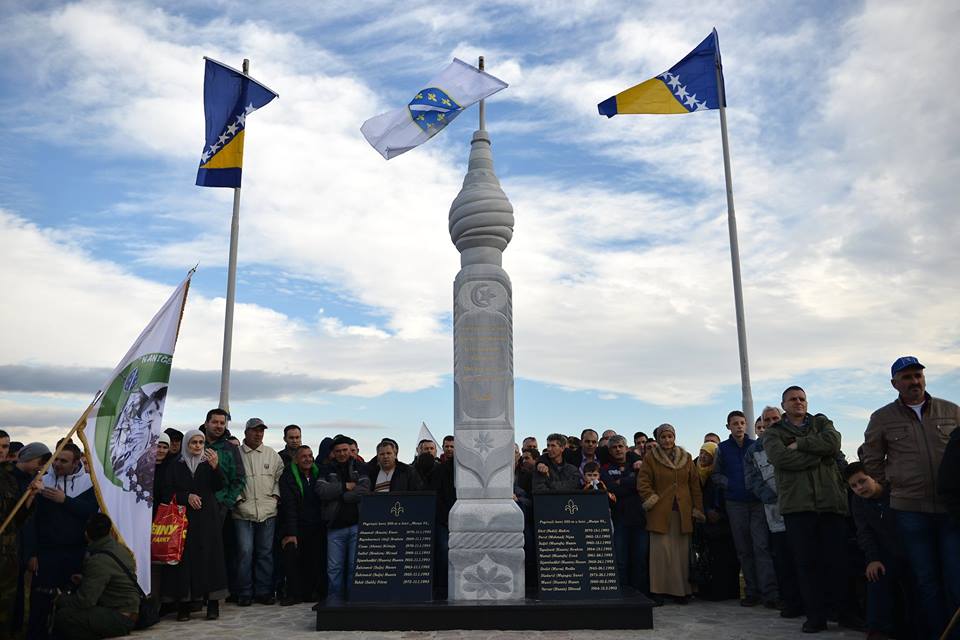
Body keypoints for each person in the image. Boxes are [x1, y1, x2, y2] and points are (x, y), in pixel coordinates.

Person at [862, 356, 960, 639]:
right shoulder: (881, 418)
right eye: (907, 377)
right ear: (895, 384)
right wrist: (888, 485)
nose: (914, 381)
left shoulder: (951, 411)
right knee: (926, 581)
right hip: (909, 511)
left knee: (955, 578)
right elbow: (871, 457)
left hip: (950, 510)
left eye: (918, 375)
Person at [764, 386, 852, 633]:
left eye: (802, 398)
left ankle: (845, 612)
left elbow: (834, 443)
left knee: (838, 562)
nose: (798, 402)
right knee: (807, 564)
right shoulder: (774, 432)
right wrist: (820, 455)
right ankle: (816, 616)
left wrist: (800, 444)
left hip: (830, 503)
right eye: (793, 399)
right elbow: (781, 459)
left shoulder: (822, 422)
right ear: (784, 405)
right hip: (798, 506)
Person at [25, 443, 99, 639]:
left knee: (71, 605)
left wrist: (65, 500)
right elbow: (31, 521)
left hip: (76, 553)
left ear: (75, 462)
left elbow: (92, 512)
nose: (57, 464)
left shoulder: (89, 483)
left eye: (63, 461)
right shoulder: (42, 481)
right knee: (40, 603)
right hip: (46, 553)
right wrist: (32, 553)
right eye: (55, 459)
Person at [158, 429, 227, 621]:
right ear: (186, 445)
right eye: (193, 442)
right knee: (185, 562)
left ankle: (213, 605)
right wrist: (185, 497)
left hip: (207, 519)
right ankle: (185, 605)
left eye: (200, 442)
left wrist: (216, 467)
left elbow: (219, 485)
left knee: (210, 559)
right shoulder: (175, 465)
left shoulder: (208, 463)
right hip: (183, 520)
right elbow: (167, 491)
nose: (197, 446)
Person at [714, 410, 779, 608]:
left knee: (761, 547)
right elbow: (715, 475)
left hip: (757, 502)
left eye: (742, 422)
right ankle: (751, 592)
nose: (739, 426)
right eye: (735, 423)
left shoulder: (755, 445)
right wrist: (731, 484)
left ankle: (770, 593)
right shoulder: (722, 449)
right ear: (728, 427)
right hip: (735, 503)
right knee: (744, 549)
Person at [745, 405, 802, 617]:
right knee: (783, 557)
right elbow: (752, 480)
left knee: (804, 556)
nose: (771, 423)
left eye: (774, 419)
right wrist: (772, 497)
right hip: (774, 512)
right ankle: (788, 601)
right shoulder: (754, 450)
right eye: (766, 420)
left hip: (800, 508)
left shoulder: (795, 440)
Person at [844, 461, 910, 640]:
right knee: (875, 574)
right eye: (854, 486)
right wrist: (872, 558)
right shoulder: (858, 501)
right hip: (885, 553)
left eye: (862, 481)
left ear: (872, 476)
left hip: (911, 549)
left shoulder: (893, 492)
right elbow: (863, 532)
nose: (859, 488)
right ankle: (877, 631)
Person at [638, 424, 703, 603]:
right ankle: (658, 591)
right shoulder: (651, 458)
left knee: (681, 554)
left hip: (682, 512)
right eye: (663, 437)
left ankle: (681, 591)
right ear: (658, 439)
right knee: (661, 553)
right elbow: (643, 482)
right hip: (660, 511)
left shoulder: (687, 457)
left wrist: (697, 508)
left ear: (674, 437)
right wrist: (651, 499)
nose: (667, 440)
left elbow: (694, 485)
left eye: (670, 436)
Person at [51, 513, 140, 640]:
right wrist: (86, 579)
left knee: (64, 616)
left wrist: (60, 599)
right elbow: (113, 579)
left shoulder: (98, 560)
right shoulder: (121, 549)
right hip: (131, 611)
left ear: (87, 534)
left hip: (120, 618)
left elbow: (85, 601)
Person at [233, 418, 283, 606]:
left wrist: (275, 498)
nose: (258, 434)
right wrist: (237, 500)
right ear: (246, 432)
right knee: (245, 552)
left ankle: (264, 591)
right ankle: (244, 592)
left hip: (268, 512)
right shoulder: (236, 453)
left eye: (261, 431)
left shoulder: (272, 454)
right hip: (242, 513)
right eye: (255, 430)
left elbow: (280, 478)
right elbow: (229, 478)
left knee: (265, 553)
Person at [315, 436, 370, 601]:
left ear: (350, 450)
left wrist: (342, 496)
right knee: (334, 568)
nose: (342, 453)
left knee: (354, 567)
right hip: (334, 527)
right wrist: (345, 486)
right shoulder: (326, 469)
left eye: (345, 450)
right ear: (333, 452)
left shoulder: (361, 467)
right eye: (338, 451)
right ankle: (334, 601)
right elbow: (322, 491)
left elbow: (365, 490)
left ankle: (353, 600)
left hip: (357, 525)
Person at [0, 444, 43, 638]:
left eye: (6, 447)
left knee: (10, 599)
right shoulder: (7, 477)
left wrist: (32, 495)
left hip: (11, 549)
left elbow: (18, 519)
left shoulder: (26, 480)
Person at [278, 445, 325, 606]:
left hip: (316, 526)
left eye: (310, 455)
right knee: (293, 562)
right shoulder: (288, 477)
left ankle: (310, 593)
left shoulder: (319, 474)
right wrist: (291, 533)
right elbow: (289, 506)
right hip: (295, 525)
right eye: (304, 456)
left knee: (313, 561)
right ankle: (293, 594)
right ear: (296, 460)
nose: (308, 459)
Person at [601, 435, 648, 596]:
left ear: (626, 448)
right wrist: (628, 482)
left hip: (640, 519)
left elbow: (641, 485)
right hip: (619, 519)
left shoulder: (637, 464)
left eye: (621, 446)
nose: (618, 449)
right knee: (621, 561)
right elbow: (612, 488)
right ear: (610, 450)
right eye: (614, 447)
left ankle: (640, 594)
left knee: (640, 559)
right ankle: (623, 595)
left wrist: (622, 482)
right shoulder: (605, 467)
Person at [695, 441, 740, 602]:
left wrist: (720, 514)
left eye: (706, 454)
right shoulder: (697, 474)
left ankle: (726, 591)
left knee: (724, 560)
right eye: (701, 453)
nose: (702, 457)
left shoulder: (720, 474)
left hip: (723, 523)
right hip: (705, 523)